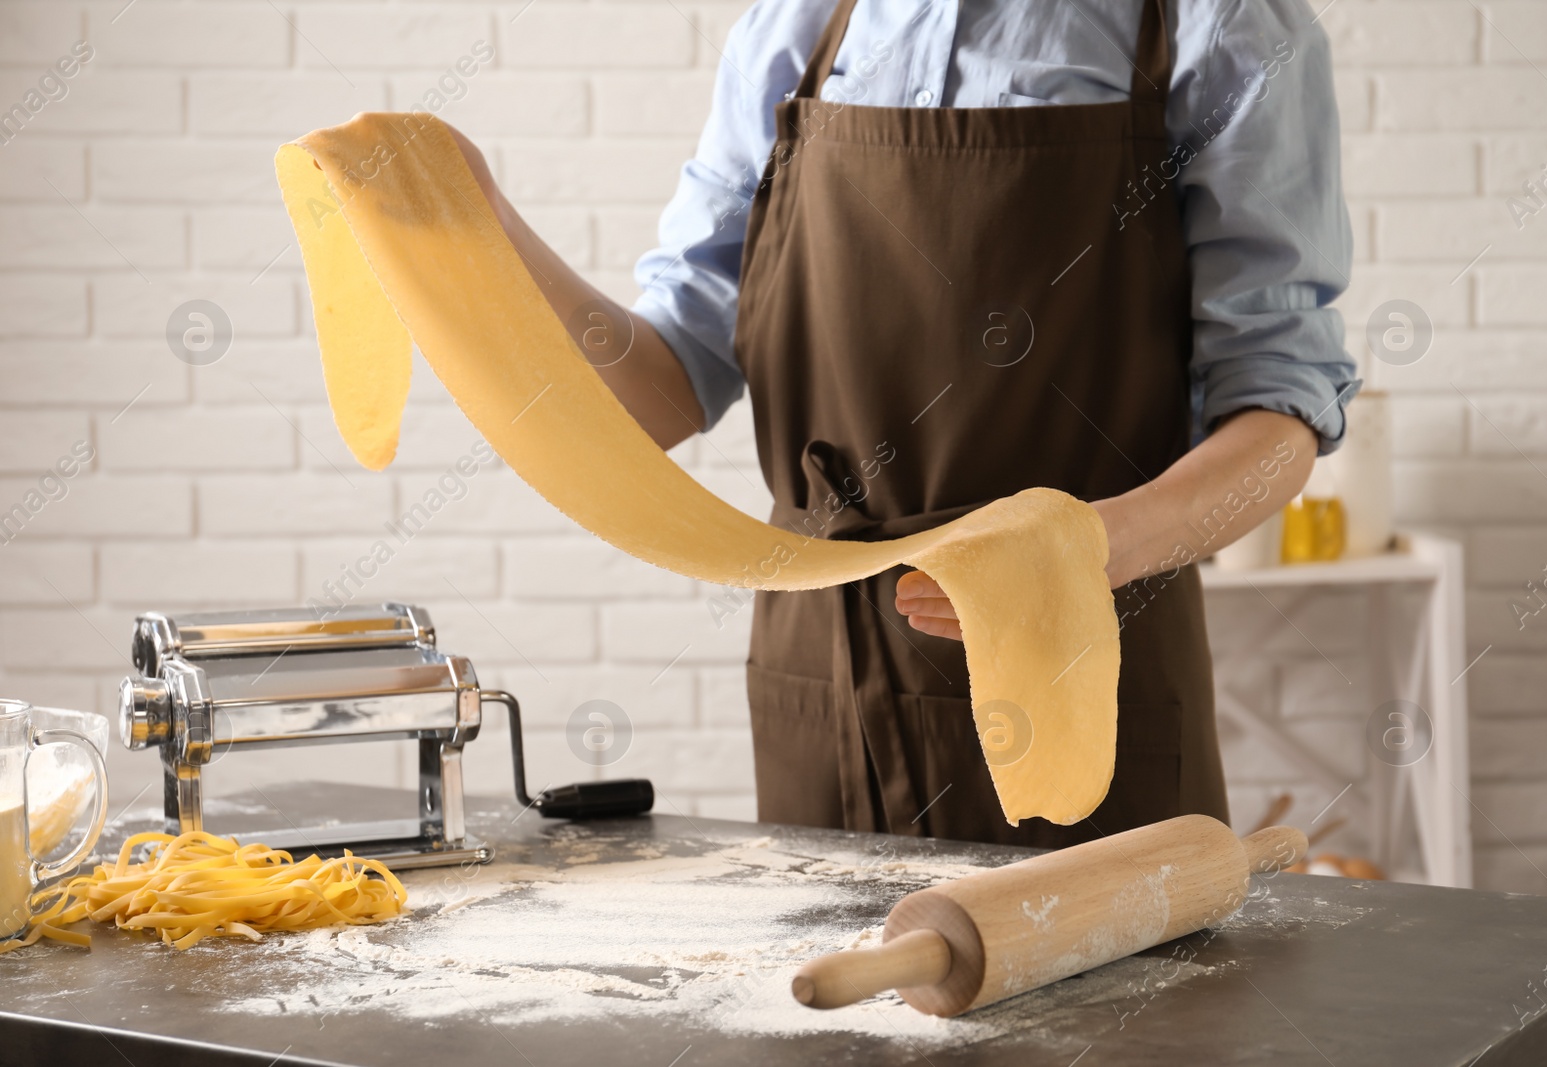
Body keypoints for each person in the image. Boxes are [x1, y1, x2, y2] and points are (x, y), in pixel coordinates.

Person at [451, 0, 1354, 848]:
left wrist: (1091, 545)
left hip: (1075, 652)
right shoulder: (797, 30)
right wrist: (479, 221)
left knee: (1121, 1009)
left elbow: (1279, 413)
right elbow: (661, 388)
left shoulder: (1221, 26)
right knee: (836, 1008)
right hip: (826, 674)